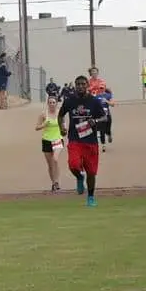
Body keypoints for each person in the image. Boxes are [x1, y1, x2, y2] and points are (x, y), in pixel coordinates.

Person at [57, 75, 108, 207]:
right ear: (75, 86)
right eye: (78, 84)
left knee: (91, 172)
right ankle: (79, 177)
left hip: (90, 141)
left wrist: (95, 121)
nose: (80, 86)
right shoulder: (70, 100)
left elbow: (104, 117)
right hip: (75, 139)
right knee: (73, 164)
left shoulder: (94, 101)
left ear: (87, 86)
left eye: (83, 84)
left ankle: (90, 197)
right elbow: (60, 115)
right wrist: (61, 127)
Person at [35, 95, 63, 192]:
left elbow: (63, 124)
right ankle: (54, 183)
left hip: (58, 139)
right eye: (50, 102)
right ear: (48, 103)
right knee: (50, 164)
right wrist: (43, 125)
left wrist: (64, 129)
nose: (52, 104)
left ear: (56, 103)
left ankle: (57, 181)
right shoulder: (43, 114)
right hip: (46, 140)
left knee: (55, 159)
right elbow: (37, 127)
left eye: (53, 102)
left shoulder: (60, 113)